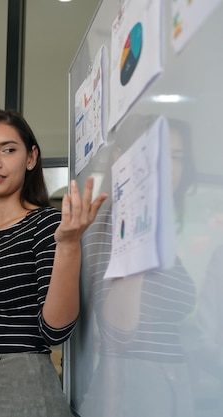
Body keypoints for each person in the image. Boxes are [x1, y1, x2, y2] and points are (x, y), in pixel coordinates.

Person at [0, 109, 107, 417]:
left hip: (24, 387)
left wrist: (68, 245)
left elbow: (55, 331)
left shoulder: (47, 224)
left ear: (31, 158)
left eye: (8, 150)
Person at [79, 117, 197, 417]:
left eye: (177, 157)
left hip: (169, 383)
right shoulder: (115, 224)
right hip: (137, 390)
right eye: (156, 153)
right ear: (122, 160)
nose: (170, 167)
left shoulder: (157, 228)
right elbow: (117, 333)